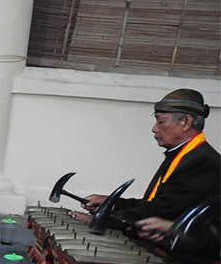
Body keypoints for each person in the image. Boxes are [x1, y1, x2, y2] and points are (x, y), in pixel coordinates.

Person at [83, 89, 219, 226]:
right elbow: (154, 205)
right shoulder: (186, 154)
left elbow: (160, 213)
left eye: (160, 122)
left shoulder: (202, 162)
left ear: (186, 122)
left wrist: (103, 219)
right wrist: (112, 204)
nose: (154, 128)